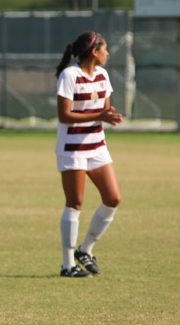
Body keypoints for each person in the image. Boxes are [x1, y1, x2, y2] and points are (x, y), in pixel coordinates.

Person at [54, 31, 123, 278]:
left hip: (96, 146)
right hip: (72, 148)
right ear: (94, 52)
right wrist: (100, 116)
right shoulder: (69, 75)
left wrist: (109, 116)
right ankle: (67, 265)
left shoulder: (103, 75)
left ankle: (85, 250)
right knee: (75, 203)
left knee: (113, 198)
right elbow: (64, 115)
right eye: (105, 49)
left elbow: (104, 110)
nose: (108, 53)